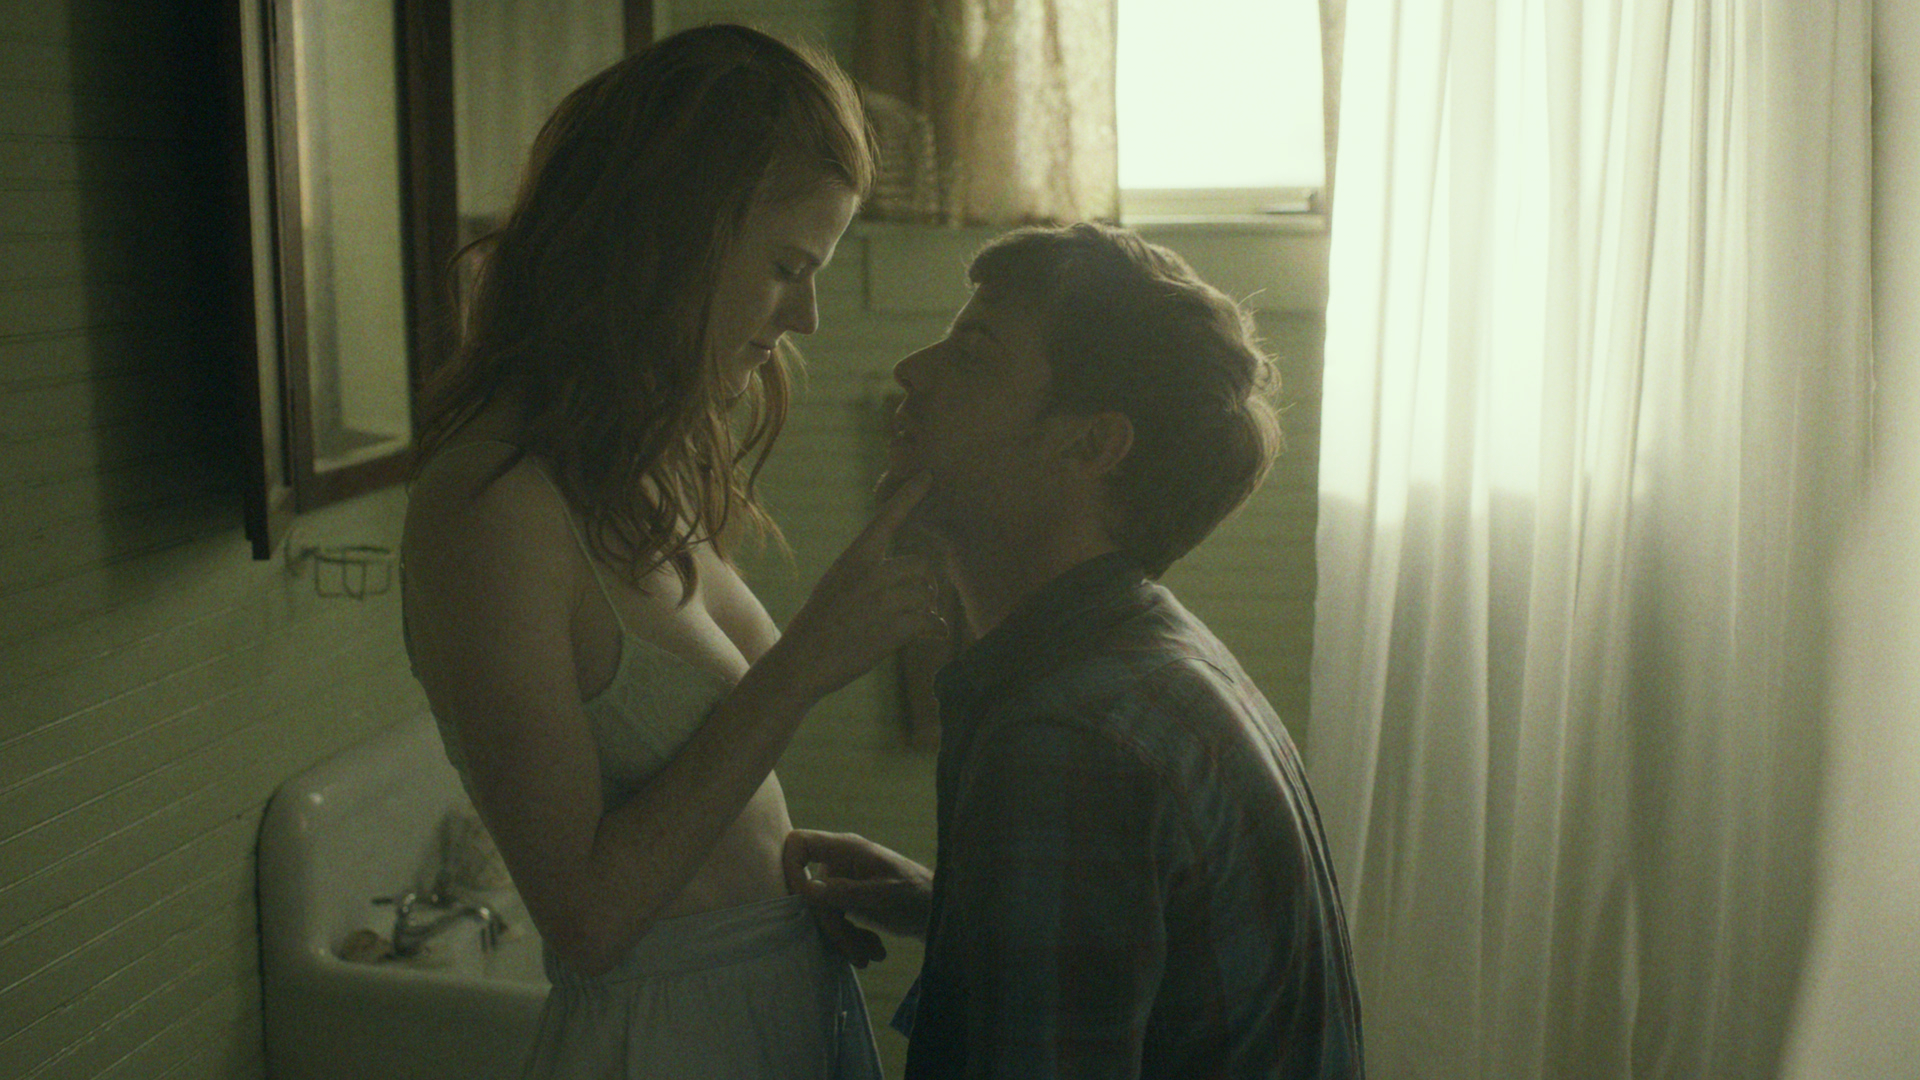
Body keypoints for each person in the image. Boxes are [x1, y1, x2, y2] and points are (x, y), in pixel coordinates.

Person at [401, 25, 945, 1079]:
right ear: (670, 238)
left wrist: (781, 897)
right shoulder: (491, 509)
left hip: (768, 997)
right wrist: (806, 662)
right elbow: (587, 921)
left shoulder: (640, 467)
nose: (809, 316)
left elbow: (696, 797)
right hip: (664, 1041)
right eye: (787, 267)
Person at [785, 222, 1366, 1078]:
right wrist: (957, 911)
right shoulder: (1156, 663)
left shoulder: (1068, 740)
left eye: (973, 355)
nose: (911, 371)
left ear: (1090, 445)